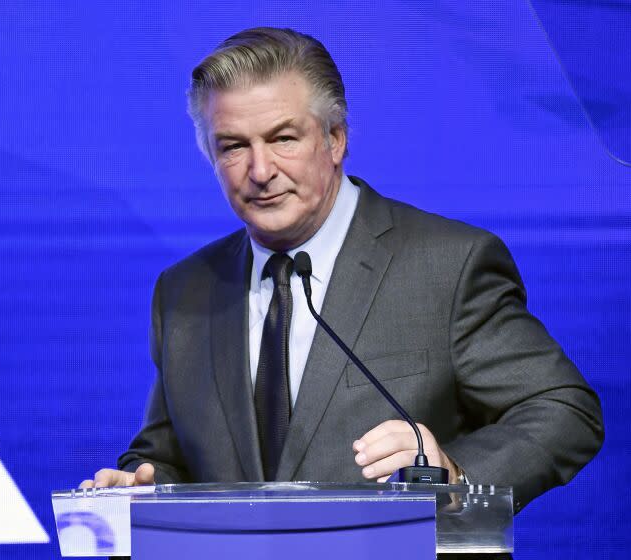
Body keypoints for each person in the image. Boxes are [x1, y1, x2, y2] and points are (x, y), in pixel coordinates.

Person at [81, 27, 603, 512]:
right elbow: (166, 452)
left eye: (284, 138)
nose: (260, 172)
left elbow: (563, 410)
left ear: (335, 138)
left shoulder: (447, 265)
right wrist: (144, 485)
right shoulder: (184, 291)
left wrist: (455, 474)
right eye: (234, 146)